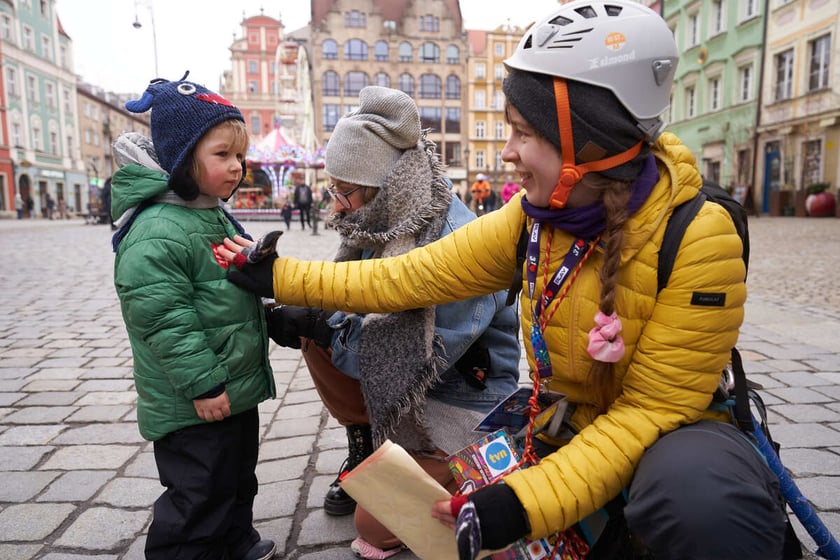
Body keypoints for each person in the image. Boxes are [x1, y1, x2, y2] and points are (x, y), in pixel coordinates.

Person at [223, 3, 794, 559]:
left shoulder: (698, 235)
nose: (508, 152)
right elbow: (413, 276)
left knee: (698, 501)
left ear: (582, 138)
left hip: (668, 437)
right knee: (419, 525)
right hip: (569, 426)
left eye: (523, 133)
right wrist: (280, 275)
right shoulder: (532, 218)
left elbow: (648, 414)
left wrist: (523, 503)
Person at [229, 86, 521, 560]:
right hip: (418, 389)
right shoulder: (379, 223)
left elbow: (418, 356)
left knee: (371, 523)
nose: (336, 205)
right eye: (333, 190)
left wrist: (326, 326)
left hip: (461, 399)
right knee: (316, 325)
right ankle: (367, 443)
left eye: (344, 191)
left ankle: (479, 466)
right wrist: (305, 318)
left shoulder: (456, 237)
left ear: (383, 183)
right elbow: (351, 296)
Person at [110, 73, 277, 560]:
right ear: (184, 157)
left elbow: (223, 287)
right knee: (197, 491)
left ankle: (234, 540)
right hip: (194, 398)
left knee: (236, 474)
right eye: (222, 155)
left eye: (239, 156)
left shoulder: (208, 213)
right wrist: (203, 385)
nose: (236, 167)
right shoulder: (159, 226)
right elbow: (162, 317)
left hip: (233, 385)